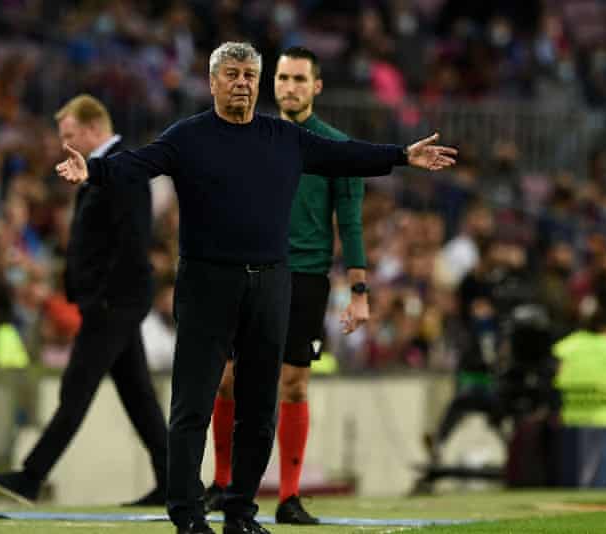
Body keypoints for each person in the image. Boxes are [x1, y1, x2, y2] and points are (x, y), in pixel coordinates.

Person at [56, 42, 456, 534]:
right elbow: (138, 163)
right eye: (232, 74)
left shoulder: (283, 137)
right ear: (212, 82)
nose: (242, 82)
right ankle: (186, 515)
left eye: (249, 74)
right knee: (192, 405)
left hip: (271, 284)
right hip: (206, 283)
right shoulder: (189, 137)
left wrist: (401, 155)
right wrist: (91, 169)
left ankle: (241, 512)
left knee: (259, 408)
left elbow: (344, 155)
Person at [204, 46, 371, 525]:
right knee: (229, 377)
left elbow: (351, 222)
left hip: (305, 277)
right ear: (270, 83)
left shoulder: (334, 147)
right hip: (248, 270)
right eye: (283, 78)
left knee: (293, 384)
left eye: (300, 79)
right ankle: (221, 483)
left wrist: (359, 292)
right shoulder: (249, 136)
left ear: (316, 86)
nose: (290, 87)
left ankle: (289, 497)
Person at [0, 94, 169, 507]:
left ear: (93, 129)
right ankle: (175, 480)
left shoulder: (122, 166)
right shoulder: (106, 167)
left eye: (69, 135)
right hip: (111, 300)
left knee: (76, 388)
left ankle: (31, 475)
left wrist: (103, 297)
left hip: (113, 303)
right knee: (138, 397)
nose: (63, 144)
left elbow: (133, 240)